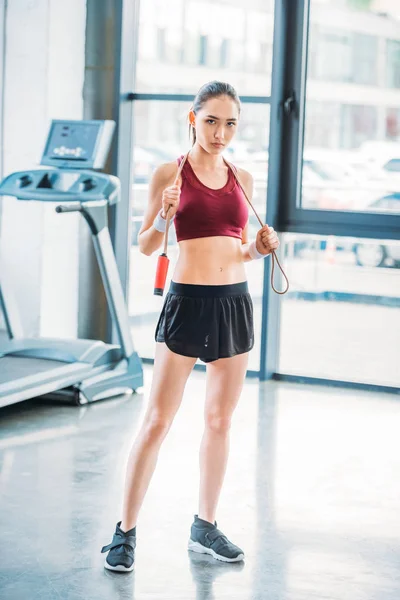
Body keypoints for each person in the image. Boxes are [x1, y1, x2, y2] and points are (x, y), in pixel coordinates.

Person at [101, 81, 280, 571]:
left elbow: (241, 246)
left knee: (220, 421)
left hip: (234, 302)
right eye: (211, 122)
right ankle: (124, 531)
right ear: (192, 119)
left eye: (230, 124)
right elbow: (144, 245)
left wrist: (259, 248)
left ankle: (205, 526)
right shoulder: (169, 173)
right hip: (187, 300)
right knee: (158, 419)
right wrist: (162, 215)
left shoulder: (242, 177)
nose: (220, 133)